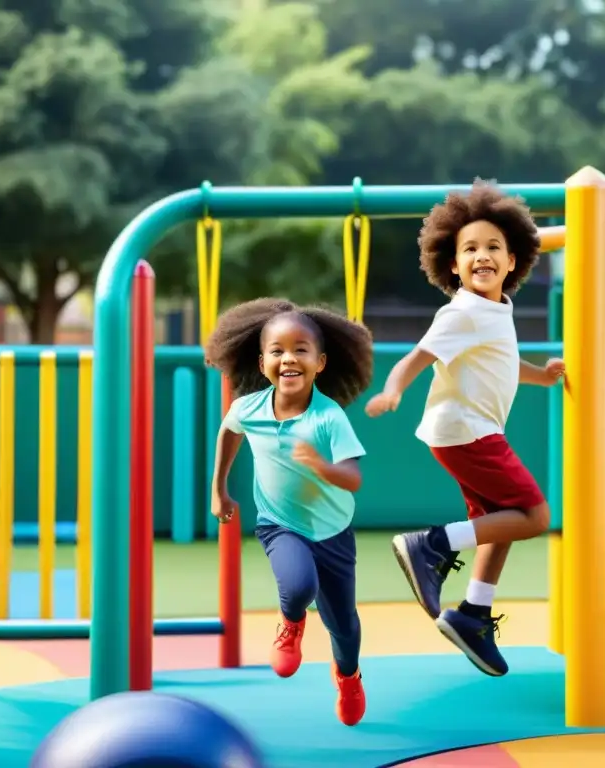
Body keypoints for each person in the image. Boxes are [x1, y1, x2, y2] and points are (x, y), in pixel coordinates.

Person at [365, 180, 564, 677]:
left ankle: (473, 613)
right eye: (469, 249)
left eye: (493, 247)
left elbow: (501, 358)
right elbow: (417, 357)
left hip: (466, 431)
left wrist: (542, 376)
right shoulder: (462, 311)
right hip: (467, 432)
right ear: (452, 264)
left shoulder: (495, 309)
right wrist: (393, 391)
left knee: (500, 522)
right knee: (535, 515)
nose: (482, 256)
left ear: (513, 261)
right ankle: (429, 544)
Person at [205, 298, 374, 726]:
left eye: (301, 350)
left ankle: (349, 675)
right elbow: (229, 432)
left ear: (320, 362)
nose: (289, 358)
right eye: (277, 351)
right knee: (298, 586)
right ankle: (291, 623)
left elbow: (353, 478)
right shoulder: (249, 408)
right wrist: (219, 489)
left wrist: (322, 466)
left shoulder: (328, 417)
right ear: (262, 363)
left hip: (333, 531)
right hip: (280, 525)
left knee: (345, 627)